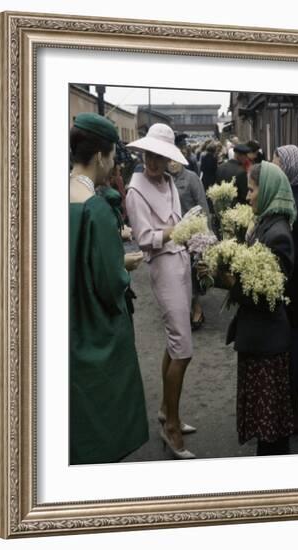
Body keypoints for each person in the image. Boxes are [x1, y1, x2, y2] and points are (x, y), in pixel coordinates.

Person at [69, 113, 148, 465]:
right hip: (93, 324)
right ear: (100, 156)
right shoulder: (96, 209)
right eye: (113, 156)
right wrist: (124, 267)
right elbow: (109, 281)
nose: (114, 163)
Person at [202, 161, 296, 455]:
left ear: (267, 190)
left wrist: (225, 278)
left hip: (267, 340)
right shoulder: (264, 223)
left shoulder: (277, 233)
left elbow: (267, 291)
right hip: (259, 338)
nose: (247, 196)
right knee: (266, 423)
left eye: (252, 190)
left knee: (272, 430)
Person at [126, 123, 196, 459]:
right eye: (149, 154)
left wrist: (193, 237)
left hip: (181, 261)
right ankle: (171, 424)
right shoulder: (135, 190)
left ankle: (168, 412)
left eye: (160, 155)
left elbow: (180, 224)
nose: (153, 161)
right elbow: (143, 239)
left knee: (175, 340)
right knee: (183, 348)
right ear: (142, 153)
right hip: (163, 265)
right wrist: (172, 232)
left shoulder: (170, 182)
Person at [273, 145, 298, 434]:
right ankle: (291, 410)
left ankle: (295, 413)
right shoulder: (291, 199)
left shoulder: (296, 206)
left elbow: (295, 259)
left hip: (294, 293)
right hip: (293, 292)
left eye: (277, 163)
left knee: (295, 351)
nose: (273, 167)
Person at [167, 157, 210, 330]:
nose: (172, 164)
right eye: (168, 161)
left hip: (192, 233)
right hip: (171, 234)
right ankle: (186, 309)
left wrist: (205, 233)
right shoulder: (166, 179)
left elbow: (203, 205)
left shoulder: (191, 178)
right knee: (178, 273)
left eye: (174, 160)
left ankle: (197, 309)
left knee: (192, 271)